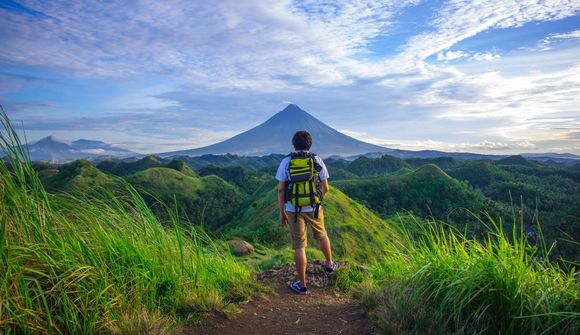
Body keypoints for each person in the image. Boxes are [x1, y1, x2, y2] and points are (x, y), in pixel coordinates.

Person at [275, 130, 339, 295]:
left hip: (293, 208)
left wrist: (282, 212)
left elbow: (281, 190)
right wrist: (316, 201)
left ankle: (302, 285)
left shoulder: (286, 161)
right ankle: (330, 265)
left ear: (293, 144)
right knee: (322, 234)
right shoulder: (316, 159)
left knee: (299, 245)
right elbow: (326, 188)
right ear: (309, 144)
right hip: (315, 206)